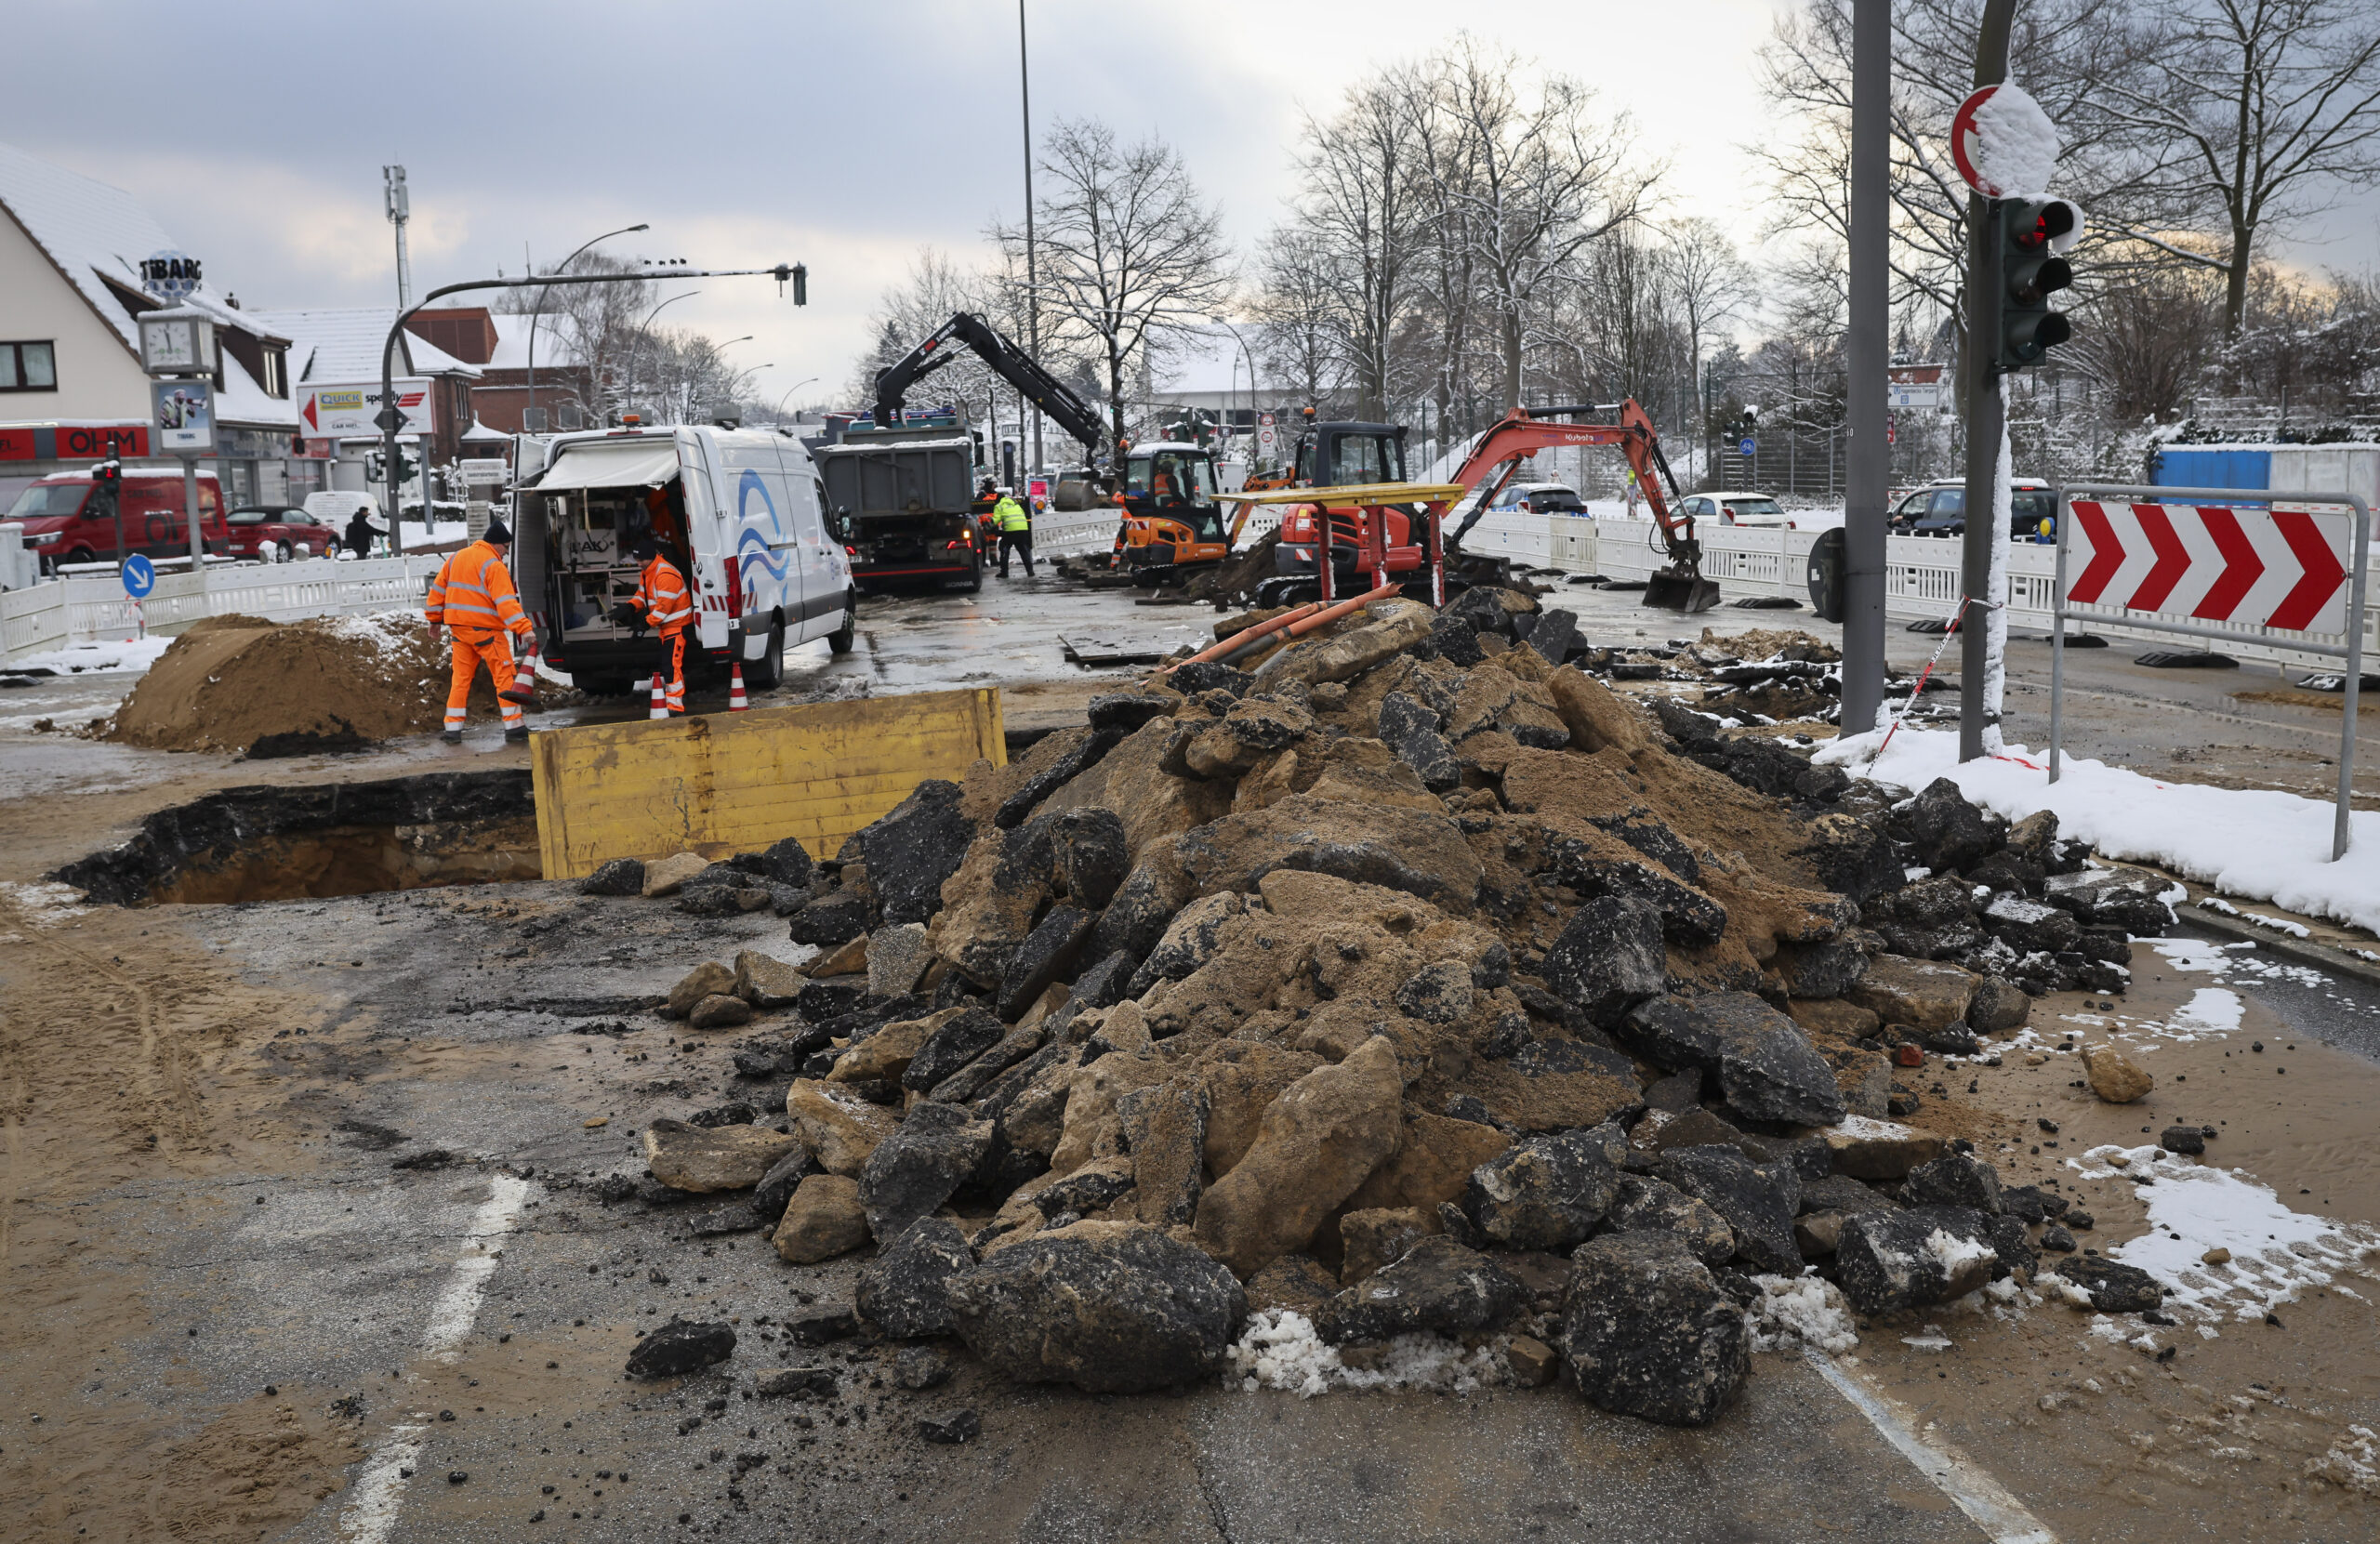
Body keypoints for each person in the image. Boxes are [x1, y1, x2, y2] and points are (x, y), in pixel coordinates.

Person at [425, 518, 535, 744]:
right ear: (496, 544)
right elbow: (506, 603)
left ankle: (452, 730)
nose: (506, 553)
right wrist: (524, 628)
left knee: (460, 680)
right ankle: (514, 728)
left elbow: (437, 591)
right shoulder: (494, 565)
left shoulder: (456, 558)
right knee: (504, 677)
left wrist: (434, 620)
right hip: (486, 633)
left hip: (459, 631)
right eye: (506, 547)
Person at [613, 535, 692, 713]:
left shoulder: (665, 575)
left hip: (676, 627)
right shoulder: (648, 572)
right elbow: (643, 596)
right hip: (668, 628)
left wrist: (644, 625)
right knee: (668, 665)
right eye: (637, 560)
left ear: (651, 557)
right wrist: (630, 606)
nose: (638, 563)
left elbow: (663, 609)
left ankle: (675, 706)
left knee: (671, 666)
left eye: (641, 560)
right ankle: (674, 704)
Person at [992, 485, 1033, 577]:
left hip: (1011, 532)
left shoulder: (999, 506)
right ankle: (1030, 571)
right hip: (1023, 530)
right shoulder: (1016, 505)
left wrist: (989, 526)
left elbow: (995, 520)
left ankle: (1004, 572)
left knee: (1004, 549)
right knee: (1023, 550)